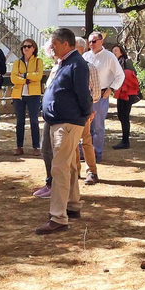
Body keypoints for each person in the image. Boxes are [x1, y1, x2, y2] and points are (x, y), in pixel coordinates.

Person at [36, 27, 92, 235]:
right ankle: (72, 206)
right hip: (60, 121)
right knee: (68, 166)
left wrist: (85, 115)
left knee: (59, 168)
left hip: (67, 123)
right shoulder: (65, 62)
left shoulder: (77, 64)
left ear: (65, 44)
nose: (51, 47)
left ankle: (59, 217)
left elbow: (83, 94)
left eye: (54, 44)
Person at [82, 30, 124, 185]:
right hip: (87, 95)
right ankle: (85, 154)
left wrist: (111, 89)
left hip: (101, 95)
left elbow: (120, 75)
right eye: (89, 41)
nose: (91, 44)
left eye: (94, 41)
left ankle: (97, 153)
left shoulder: (109, 57)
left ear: (101, 41)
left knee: (98, 126)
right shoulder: (86, 56)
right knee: (85, 126)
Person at [9, 37, 44, 155]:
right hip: (19, 95)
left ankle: (36, 146)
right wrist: (26, 80)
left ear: (34, 49)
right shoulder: (17, 62)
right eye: (24, 46)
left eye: (29, 46)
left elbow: (38, 76)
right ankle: (19, 146)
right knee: (20, 122)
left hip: (33, 95)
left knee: (34, 121)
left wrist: (23, 75)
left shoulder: (38, 61)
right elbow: (13, 78)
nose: (26, 48)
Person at [113, 44, 139, 150]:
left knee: (124, 117)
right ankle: (124, 139)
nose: (113, 52)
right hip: (121, 93)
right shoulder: (116, 62)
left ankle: (125, 141)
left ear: (121, 52)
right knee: (121, 116)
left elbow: (133, 75)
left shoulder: (125, 62)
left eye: (116, 51)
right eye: (113, 51)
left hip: (126, 93)